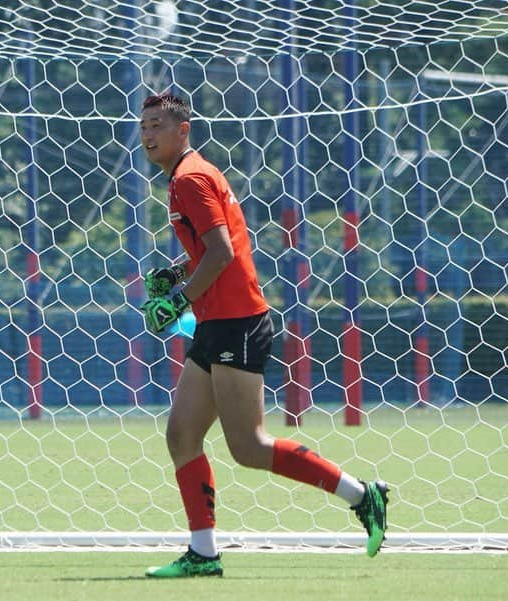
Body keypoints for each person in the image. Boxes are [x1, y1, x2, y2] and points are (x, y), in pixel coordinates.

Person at [138, 93, 389, 578]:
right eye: (143, 126)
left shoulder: (191, 178)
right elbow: (218, 247)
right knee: (182, 435)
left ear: (182, 129)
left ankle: (363, 495)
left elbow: (223, 252)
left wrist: (181, 296)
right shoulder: (188, 177)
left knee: (249, 446)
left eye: (156, 125)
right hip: (217, 323)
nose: (147, 135)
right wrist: (177, 274)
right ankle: (203, 554)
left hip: (236, 322)